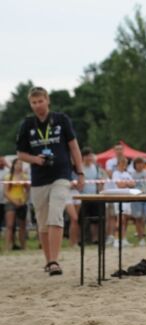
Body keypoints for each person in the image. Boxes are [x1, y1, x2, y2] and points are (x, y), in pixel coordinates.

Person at [16, 86, 84, 276]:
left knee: (56, 214)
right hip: (39, 178)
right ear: (30, 104)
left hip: (61, 175)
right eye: (34, 102)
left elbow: (74, 147)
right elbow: (20, 154)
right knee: (43, 222)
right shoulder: (27, 124)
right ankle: (48, 261)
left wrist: (80, 172)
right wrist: (35, 159)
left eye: (40, 101)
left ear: (48, 100)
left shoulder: (61, 120)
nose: (38, 105)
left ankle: (54, 261)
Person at [3, 159, 30, 251]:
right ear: (13, 165)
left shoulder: (25, 177)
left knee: (22, 226)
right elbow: (5, 192)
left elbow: (27, 190)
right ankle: (7, 247)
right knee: (9, 225)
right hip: (11, 202)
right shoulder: (8, 177)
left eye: (21, 164)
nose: (19, 166)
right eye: (17, 164)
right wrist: (14, 201)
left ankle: (23, 247)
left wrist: (24, 200)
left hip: (21, 202)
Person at [79, 147, 103, 244]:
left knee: (95, 219)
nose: (89, 158)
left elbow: (99, 180)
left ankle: (95, 239)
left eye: (90, 156)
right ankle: (81, 239)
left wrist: (100, 190)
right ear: (83, 157)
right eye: (87, 156)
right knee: (81, 219)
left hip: (94, 196)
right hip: (82, 197)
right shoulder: (80, 167)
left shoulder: (95, 167)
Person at [111, 157, 134, 248]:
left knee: (126, 219)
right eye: (122, 163)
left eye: (125, 163)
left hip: (127, 198)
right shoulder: (115, 173)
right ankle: (116, 239)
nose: (124, 165)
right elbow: (119, 185)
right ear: (118, 164)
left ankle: (123, 239)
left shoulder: (127, 174)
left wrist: (126, 184)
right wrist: (127, 184)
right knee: (120, 219)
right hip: (119, 198)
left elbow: (133, 184)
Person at [0, 155, 8, 234]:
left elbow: (14, 171)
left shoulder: (7, 171)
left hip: (5, 200)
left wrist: (7, 165)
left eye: (3, 161)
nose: (1, 163)